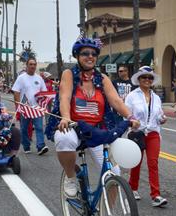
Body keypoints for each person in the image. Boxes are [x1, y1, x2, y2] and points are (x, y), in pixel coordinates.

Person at [50, 37, 137, 202]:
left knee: (114, 174)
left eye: (93, 53)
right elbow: (65, 97)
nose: (90, 56)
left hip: (96, 130)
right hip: (75, 127)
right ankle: (70, 177)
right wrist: (66, 118)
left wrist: (131, 117)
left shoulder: (102, 78)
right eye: (85, 53)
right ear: (77, 56)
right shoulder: (69, 74)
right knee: (64, 138)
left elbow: (116, 101)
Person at [125, 66, 168, 207]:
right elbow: (126, 113)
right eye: (144, 77)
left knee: (153, 162)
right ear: (139, 79)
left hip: (153, 132)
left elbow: (159, 114)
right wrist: (132, 121)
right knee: (136, 161)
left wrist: (162, 118)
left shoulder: (156, 98)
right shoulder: (132, 96)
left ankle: (155, 195)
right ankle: (133, 188)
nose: (147, 80)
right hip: (138, 132)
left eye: (150, 77)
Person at [12, 57, 50, 155]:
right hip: (25, 107)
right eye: (31, 64)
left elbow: (44, 92)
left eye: (34, 64)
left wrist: (44, 103)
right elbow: (16, 92)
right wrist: (18, 106)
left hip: (37, 108)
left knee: (39, 127)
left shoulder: (39, 78)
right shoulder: (21, 78)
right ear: (27, 65)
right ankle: (26, 145)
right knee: (24, 128)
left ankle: (40, 146)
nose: (33, 66)